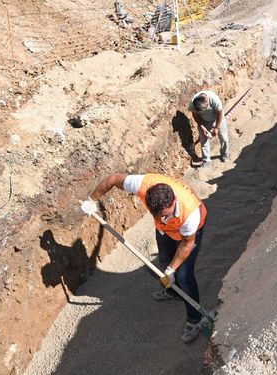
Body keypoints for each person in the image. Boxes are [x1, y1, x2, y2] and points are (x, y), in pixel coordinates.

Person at [81, 173, 207, 343]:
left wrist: (171, 271)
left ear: (174, 202)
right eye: (159, 215)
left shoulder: (190, 214)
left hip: (189, 234)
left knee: (184, 275)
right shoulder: (143, 184)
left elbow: (187, 245)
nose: (163, 219)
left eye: (167, 215)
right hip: (165, 231)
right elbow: (112, 180)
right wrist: (91, 199)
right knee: (164, 259)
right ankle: (173, 291)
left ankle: (195, 319)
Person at [189, 90, 230, 167]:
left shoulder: (214, 100)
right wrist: (202, 126)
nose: (201, 111)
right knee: (203, 141)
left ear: (207, 104)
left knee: (223, 137)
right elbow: (195, 115)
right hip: (203, 121)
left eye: (202, 110)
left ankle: (225, 154)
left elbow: (219, 114)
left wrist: (216, 128)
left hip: (217, 118)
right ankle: (206, 161)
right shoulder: (192, 103)